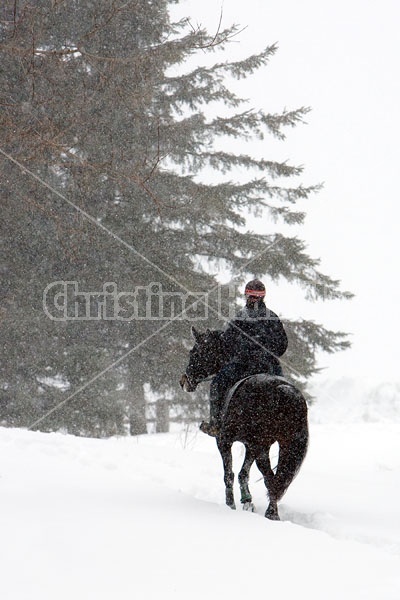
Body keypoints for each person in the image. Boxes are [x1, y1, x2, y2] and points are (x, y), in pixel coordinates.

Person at [200, 279, 288, 437]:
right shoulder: (245, 317)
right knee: (217, 383)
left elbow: (282, 344)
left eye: (255, 297)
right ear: (246, 296)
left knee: (218, 384)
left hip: (247, 365)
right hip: (262, 365)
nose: (251, 299)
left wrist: (254, 354)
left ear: (262, 297)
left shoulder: (249, 318)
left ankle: (216, 423)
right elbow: (226, 342)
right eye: (249, 296)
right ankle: (216, 424)